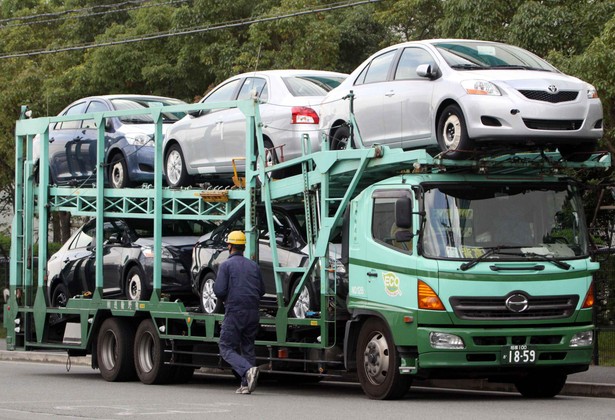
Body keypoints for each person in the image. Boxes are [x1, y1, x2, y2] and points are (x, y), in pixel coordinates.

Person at [213, 230, 266, 394]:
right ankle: (245, 384)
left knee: (225, 347)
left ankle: (247, 370)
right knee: (247, 347)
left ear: (229, 246)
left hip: (235, 311)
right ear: (243, 246)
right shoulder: (254, 265)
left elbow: (220, 291)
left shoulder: (226, 266)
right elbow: (262, 290)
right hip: (253, 312)